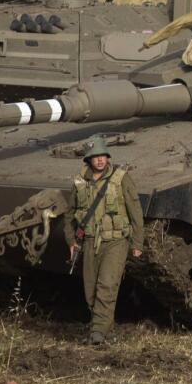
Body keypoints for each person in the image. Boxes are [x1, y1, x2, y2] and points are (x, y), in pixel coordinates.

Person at [65, 135, 144, 345]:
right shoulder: (80, 182)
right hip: (90, 241)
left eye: (102, 156)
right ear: (88, 160)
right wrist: (71, 240)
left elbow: (135, 211)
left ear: (107, 157)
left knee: (107, 285)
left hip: (116, 241)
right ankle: (102, 326)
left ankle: (98, 333)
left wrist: (137, 243)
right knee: (90, 290)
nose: (99, 160)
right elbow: (69, 214)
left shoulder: (121, 179)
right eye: (95, 157)